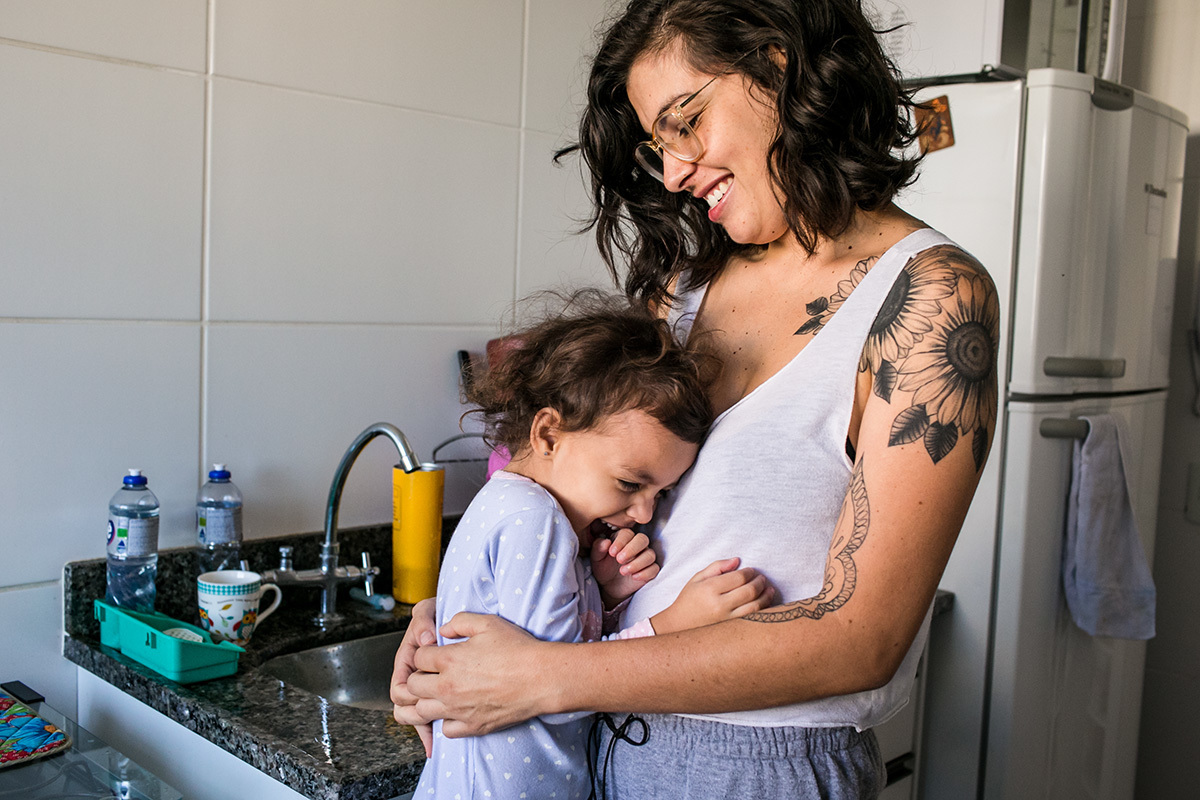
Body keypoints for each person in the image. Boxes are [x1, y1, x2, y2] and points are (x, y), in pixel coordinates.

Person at [394, 0, 1001, 796]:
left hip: (754, 772)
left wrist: (544, 678)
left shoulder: (931, 295)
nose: (676, 172)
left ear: (778, 67)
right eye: (659, 146)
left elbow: (864, 637)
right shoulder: (684, 289)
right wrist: (458, 619)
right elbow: (577, 496)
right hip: (595, 748)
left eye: (686, 122)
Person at [412, 294, 776, 800]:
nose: (646, 513)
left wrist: (599, 594)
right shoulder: (536, 520)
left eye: (662, 493)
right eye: (631, 483)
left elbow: (535, 646)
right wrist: (676, 624)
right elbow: (556, 683)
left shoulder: (512, 504)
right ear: (548, 434)